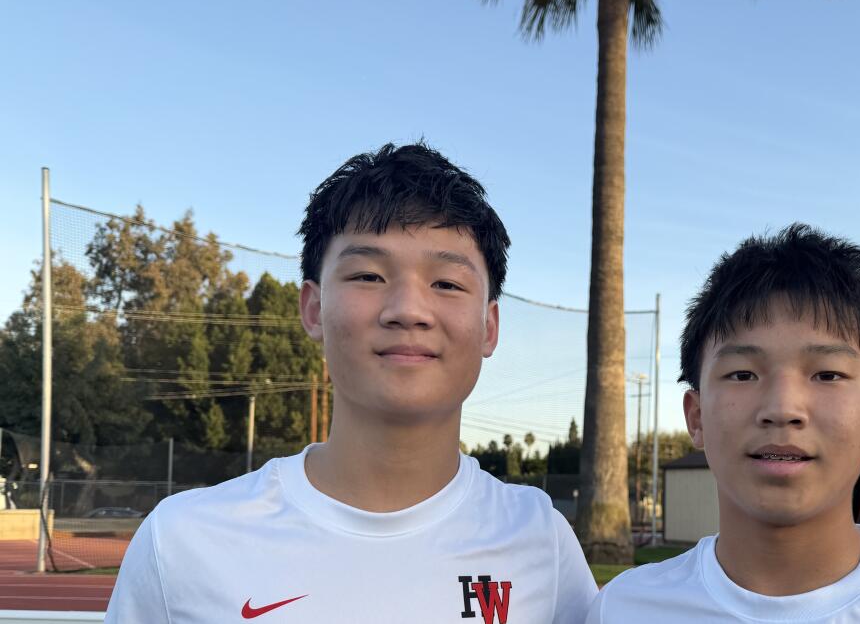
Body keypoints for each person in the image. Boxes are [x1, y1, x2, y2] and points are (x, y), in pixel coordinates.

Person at [107, 142, 596, 624]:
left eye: (446, 283)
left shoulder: (541, 541)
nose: (407, 309)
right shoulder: (180, 542)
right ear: (313, 309)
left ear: (489, 327)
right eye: (368, 275)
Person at [587, 224, 860, 623]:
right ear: (697, 416)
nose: (783, 408)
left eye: (827, 374)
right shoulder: (622, 608)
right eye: (742, 374)